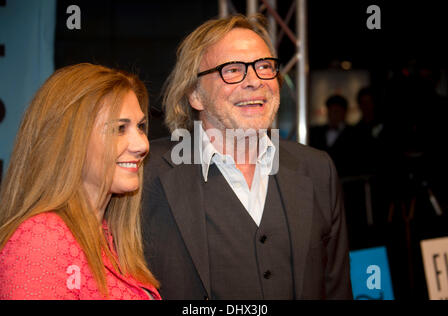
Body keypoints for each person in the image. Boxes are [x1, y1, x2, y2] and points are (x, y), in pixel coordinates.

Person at [142, 14, 352, 300]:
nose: (255, 81)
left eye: (265, 66)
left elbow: (336, 289)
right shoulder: (145, 173)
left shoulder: (317, 170)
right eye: (232, 70)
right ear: (195, 95)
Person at [0, 63, 161, 300]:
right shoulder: (42, 238)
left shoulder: (107, 236)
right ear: (69, 140)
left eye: (140, 127)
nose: (142, 145)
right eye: (119, 129)